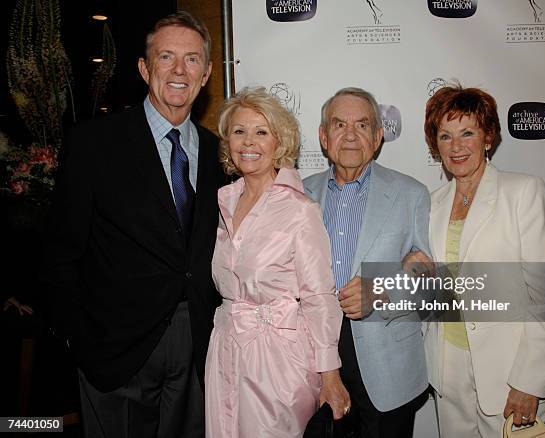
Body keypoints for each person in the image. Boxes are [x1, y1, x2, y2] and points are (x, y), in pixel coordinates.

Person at [40, 11, 225, 437]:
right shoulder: (94, 143)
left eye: (192, 59)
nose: (180, 70)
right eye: (166, 57)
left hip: (198, 345)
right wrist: (79, 340)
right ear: (145, 69)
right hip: (114, 351)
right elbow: (60, 253)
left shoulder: (222, 155)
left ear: (207, 72)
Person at [423, 85, 545, 437]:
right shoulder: (432, 203)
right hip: (450, 371)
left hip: (513, 372)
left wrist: (530, 382)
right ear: (436, 146)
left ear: (488, 137)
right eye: (445, 136)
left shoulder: (523, 192)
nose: (456, 146)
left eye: (467, 133)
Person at [205, 87, 349, 437]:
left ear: (279, 142)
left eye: (261, 132)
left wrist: (329, 374)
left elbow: (319, 296)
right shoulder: (224, 201)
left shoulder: (301, 210)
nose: (249, 142)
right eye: (239, 131)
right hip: (224, 350)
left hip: (278, 360)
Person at [303, 87, 431, 438]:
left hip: (387, 365)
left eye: (362, 125)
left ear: (377, 137)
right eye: (339, 124)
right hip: (315, 358)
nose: (349, 135)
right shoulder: (299, 195)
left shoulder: (411, 195)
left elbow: (434, 286)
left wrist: (383, 287)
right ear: (323, 135)